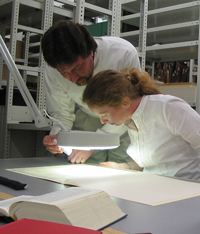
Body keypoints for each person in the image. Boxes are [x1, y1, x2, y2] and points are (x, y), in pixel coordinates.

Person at [41, 20, 141, 164]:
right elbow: (61, 115)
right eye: (64, 73)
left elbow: (128, 108)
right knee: (85, 170)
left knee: (123, 167)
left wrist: (92, 145)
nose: (73, 79)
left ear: (91, 52)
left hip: (122, 122)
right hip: (87, 120)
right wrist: (57, 136)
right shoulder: (52, 70)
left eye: (77, 68)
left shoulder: (122, 54)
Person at [82, 68, 200, 180]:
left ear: (125, 102)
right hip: (155, 187)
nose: (102, 121)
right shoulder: (131, 120)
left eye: (105, 115)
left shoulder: (168, 107)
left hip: (186, 186)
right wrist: (123, 167)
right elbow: (154, 164)